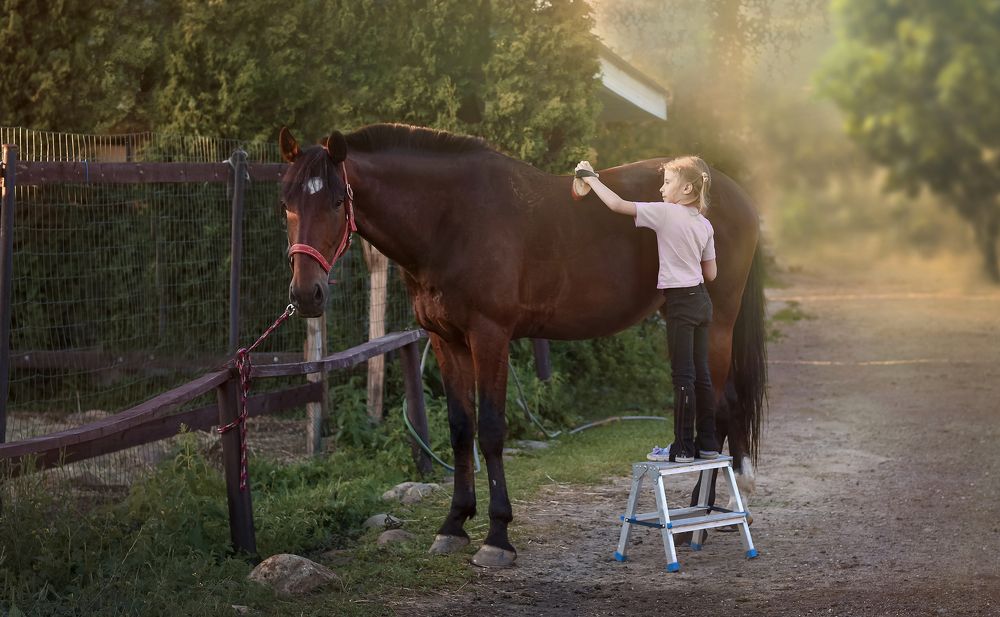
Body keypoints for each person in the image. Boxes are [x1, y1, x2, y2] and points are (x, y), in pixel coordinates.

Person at [574, 157, 720, 463]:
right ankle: (707, 443)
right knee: (702, 375)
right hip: (701, 300)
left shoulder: (666, 214)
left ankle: (682, 447)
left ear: (687, 188)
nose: (661, 188)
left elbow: (616, 205)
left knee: (683, 375)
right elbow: (712, 275)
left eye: (667, 182)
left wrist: (591, 177)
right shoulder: (705, 224)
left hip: (680, 302)